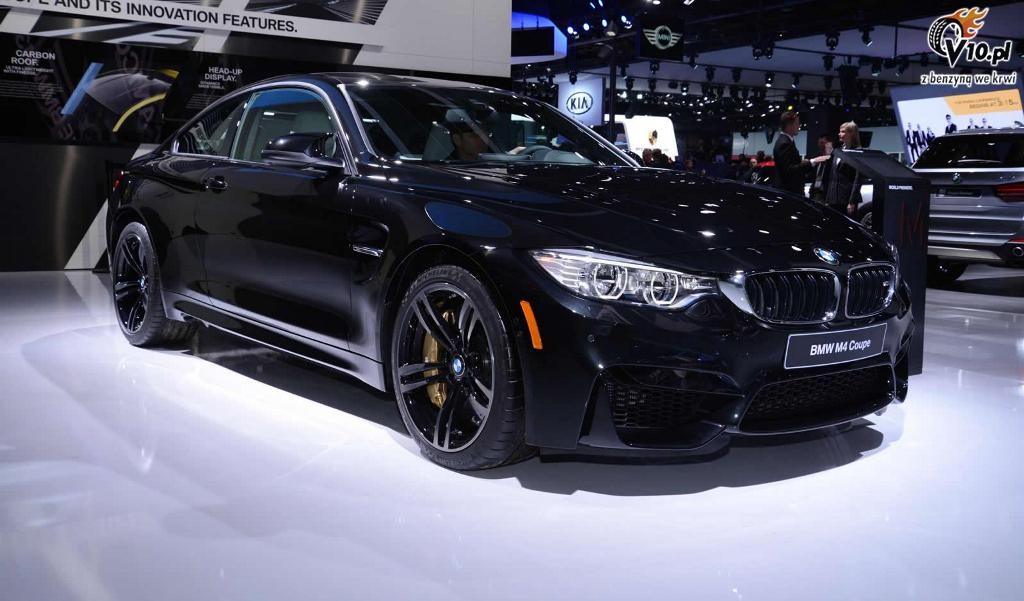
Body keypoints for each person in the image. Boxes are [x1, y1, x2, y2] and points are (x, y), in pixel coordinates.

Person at [825, 121, 863, 217]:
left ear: (851, 133)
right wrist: (828, 199)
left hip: (847, 200)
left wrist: (852, 201)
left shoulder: (857, 152)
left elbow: (858, 179)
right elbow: (832, 176)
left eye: (842, 132)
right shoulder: (838, 151)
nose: (839, 134)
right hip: (833, 199)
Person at [772, 111, 811, 196]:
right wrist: (811, 162)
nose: (799, 126)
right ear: (789, 125)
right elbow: (788, 170)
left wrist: (802, 162)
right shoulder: (784, 143)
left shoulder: (787, 141)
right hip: (788, 192)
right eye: (797, 123)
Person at [810, 135, 834, 202]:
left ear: (830, 143)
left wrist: (829, 153)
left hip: (827, 194)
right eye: (819, 143)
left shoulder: (833, 159)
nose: (819, 145)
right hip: (815, 193)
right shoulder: (817, 158)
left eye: (822, 143)